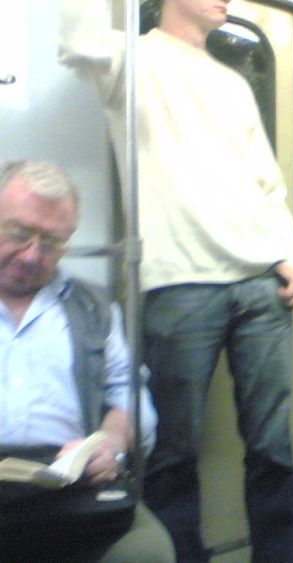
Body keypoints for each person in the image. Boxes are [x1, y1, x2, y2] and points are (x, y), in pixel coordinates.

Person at [59, 1, 293, 561]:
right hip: (179, 284)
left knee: (273, 449)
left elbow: (266, 182)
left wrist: (291, 255)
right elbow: (76, 39)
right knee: (172, 454)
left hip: (259, 284)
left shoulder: (232, 83)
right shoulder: (130, 59)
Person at [0, 160, 174, 561]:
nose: (32, 255)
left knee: (148, 552)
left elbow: (128, 393)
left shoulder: (93, 307)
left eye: (51, 242)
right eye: (19, 233)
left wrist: (110, 443)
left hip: (65, 483)